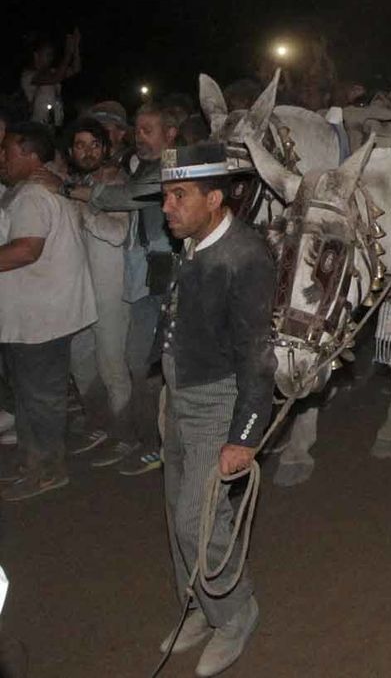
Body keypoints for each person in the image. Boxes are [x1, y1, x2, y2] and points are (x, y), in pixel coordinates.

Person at [151, 142, 275, 676]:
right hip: (179, 393)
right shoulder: (197, 241)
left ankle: (235, 611)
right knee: (177, 506)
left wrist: (245, 434)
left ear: (215, 198)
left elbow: (257, 357)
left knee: (195, 519)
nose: (167, 207)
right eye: (165, 195)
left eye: (179, 195)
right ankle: (200, 604)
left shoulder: (245, 257)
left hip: (216, 399)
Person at [75, 100, 182, 474]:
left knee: (149, 365)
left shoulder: (172, 169)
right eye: (137, 130)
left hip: (165, 280)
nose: (139, 137)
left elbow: (130, 198)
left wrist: (76, 192)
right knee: (142, 364)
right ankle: (144, 437)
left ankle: (159, 444)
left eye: (147, 130)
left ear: (171, 134)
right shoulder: (138, 167)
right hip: (144, 280)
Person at [0, 122, 96, 501]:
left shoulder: (33, 197)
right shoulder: (26, 193)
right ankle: (34, 462)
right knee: (31, 396)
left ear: (29, 154)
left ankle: (47, 470)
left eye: (7, 151)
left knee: (40, 397)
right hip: (36, 316)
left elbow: (26, 249)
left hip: (41, 319)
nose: (2, 158)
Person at [63, 116, 139, 465]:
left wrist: (85, 210)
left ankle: (125, 436)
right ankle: (101, 423)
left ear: (106, 149)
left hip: (110, 292)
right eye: (80, 145)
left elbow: (117, 233)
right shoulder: (72, 184)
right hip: (79, 293)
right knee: (80, 362)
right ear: (70, 150)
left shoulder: (116, 183)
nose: (88, 152)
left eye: (94, 145)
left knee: (112, 366)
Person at [19, 30, 81, 126]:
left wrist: (75, 47)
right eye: (47, 54)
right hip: (38, 125)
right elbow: (55, 78)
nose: (51, 58)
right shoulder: (29, 75)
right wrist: (68, 53)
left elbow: (75, 69)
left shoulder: (51, 72)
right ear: (36, 55)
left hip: (55, 123)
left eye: (51, 55)